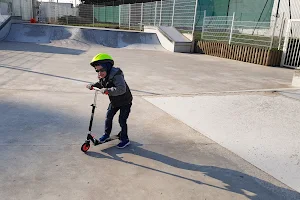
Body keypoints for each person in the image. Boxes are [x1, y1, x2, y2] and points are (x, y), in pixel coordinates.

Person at [86, 53, 133, 148]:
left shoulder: (117, 75)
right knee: (108, 117)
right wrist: (93, 85)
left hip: (125, 101)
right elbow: (101, 83)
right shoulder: (104, 75)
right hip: (115, 101)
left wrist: (108, 91)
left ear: (107, 67)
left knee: (122, 120)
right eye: (97, 71)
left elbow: (121, 89)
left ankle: (125, 139)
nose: (100, 73)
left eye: (102, 70)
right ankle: (106, 134)